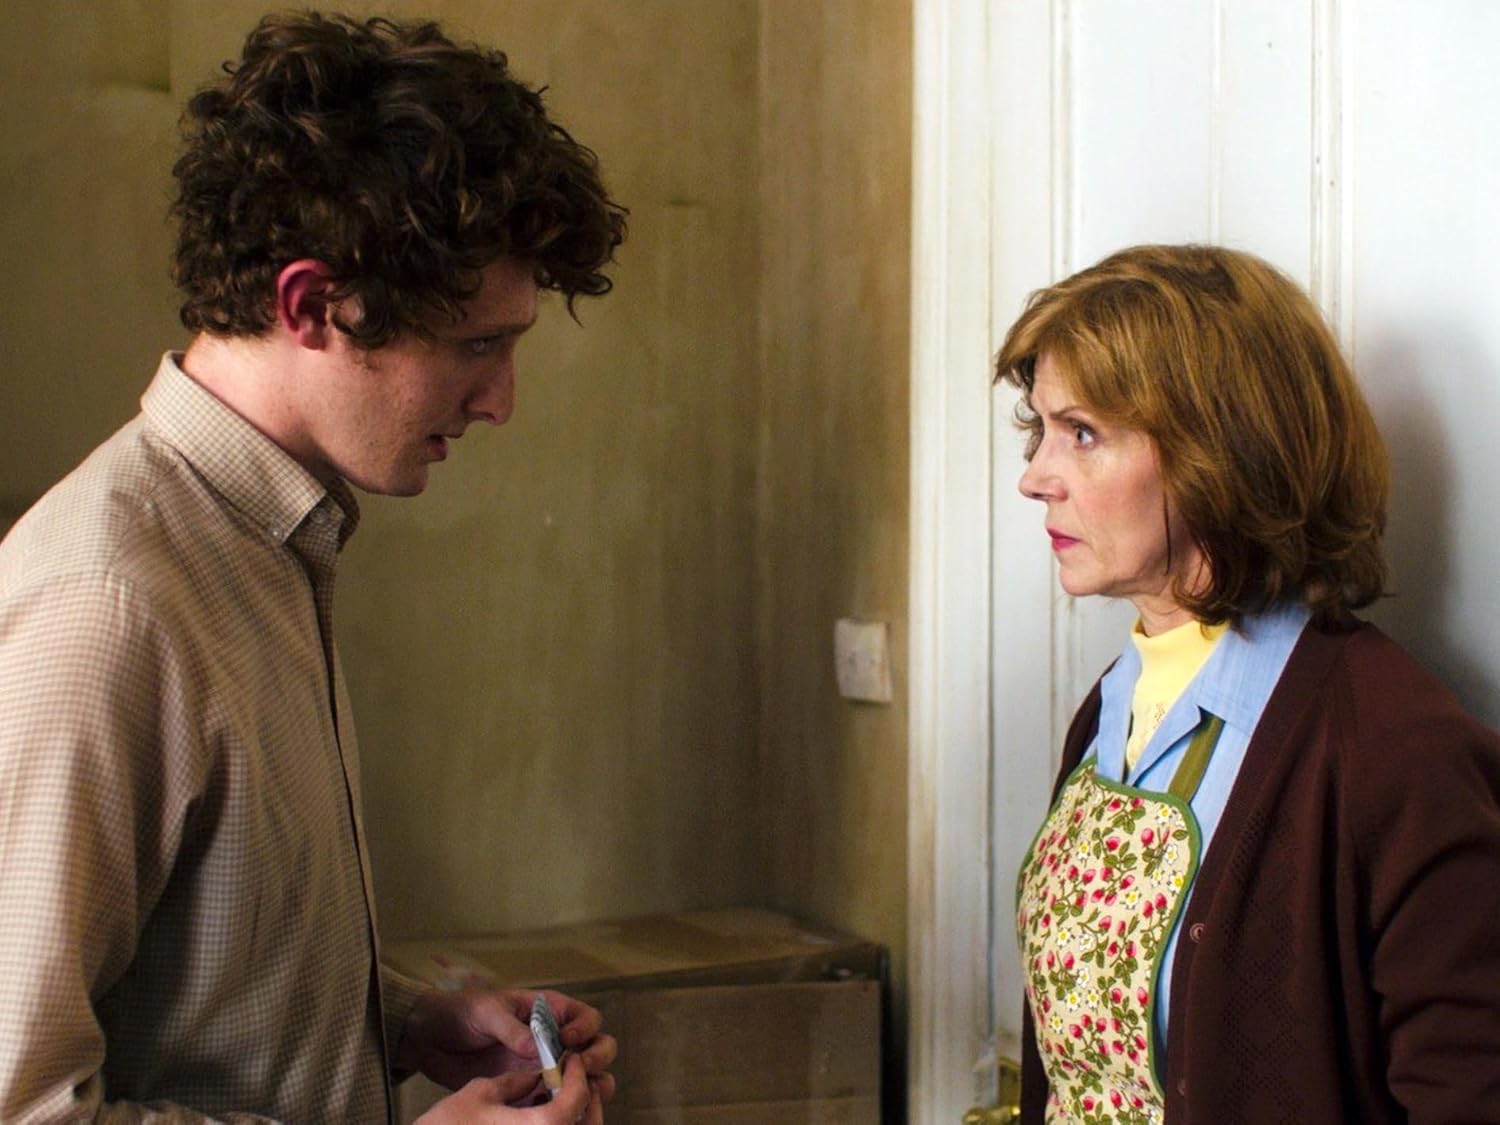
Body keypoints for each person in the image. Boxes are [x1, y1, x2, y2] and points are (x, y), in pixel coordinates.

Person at [0, 12, 627, 1123]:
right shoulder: (107, 607)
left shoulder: (270, 546)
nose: (500, 401)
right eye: (479, 344)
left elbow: (204, 971)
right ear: (308, 305)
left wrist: (405, 1023)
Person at [998, 244, 1500, 1122]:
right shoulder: (1114, 701)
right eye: (1040, 430)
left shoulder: (1393, 746)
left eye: (1082, 433)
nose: (1035, 477)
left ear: (1217, 449)